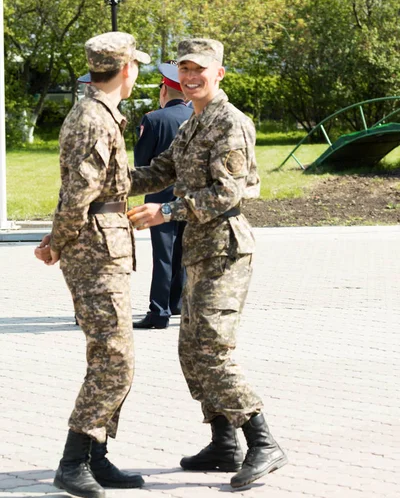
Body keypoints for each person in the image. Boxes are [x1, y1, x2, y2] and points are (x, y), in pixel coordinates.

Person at [125, 38, 288, 489]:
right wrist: (109, 181)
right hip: (200, 247)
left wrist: (167, 212)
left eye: (200, 69)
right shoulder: (194, 123)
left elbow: (227, 193)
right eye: (185, 69)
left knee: (212, 349)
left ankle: (262, 442)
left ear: (219, 73)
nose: (191, 76)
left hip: (225, 247)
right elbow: (160, 170)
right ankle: (224, 444)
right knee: (191, 349)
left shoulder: (229, 123)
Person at [34, 32, 149, 498]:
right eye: (136, 65)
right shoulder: (92, 119)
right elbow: (78, 194)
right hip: (94, 251)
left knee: (112, 355)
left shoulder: (100, 115)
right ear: (126, 70)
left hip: (103, 245)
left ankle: (96, 455)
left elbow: (109, 184)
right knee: (113, 360)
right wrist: (56, 243)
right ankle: (73, 460)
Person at [133, 62, 192, 329]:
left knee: (163, 256)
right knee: (182, 252)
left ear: (164, 90)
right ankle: (176, 301)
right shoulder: (198, 117)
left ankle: (158, 312)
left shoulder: (154, 119)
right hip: (190, 198)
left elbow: (142, 161)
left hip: (160, 197)